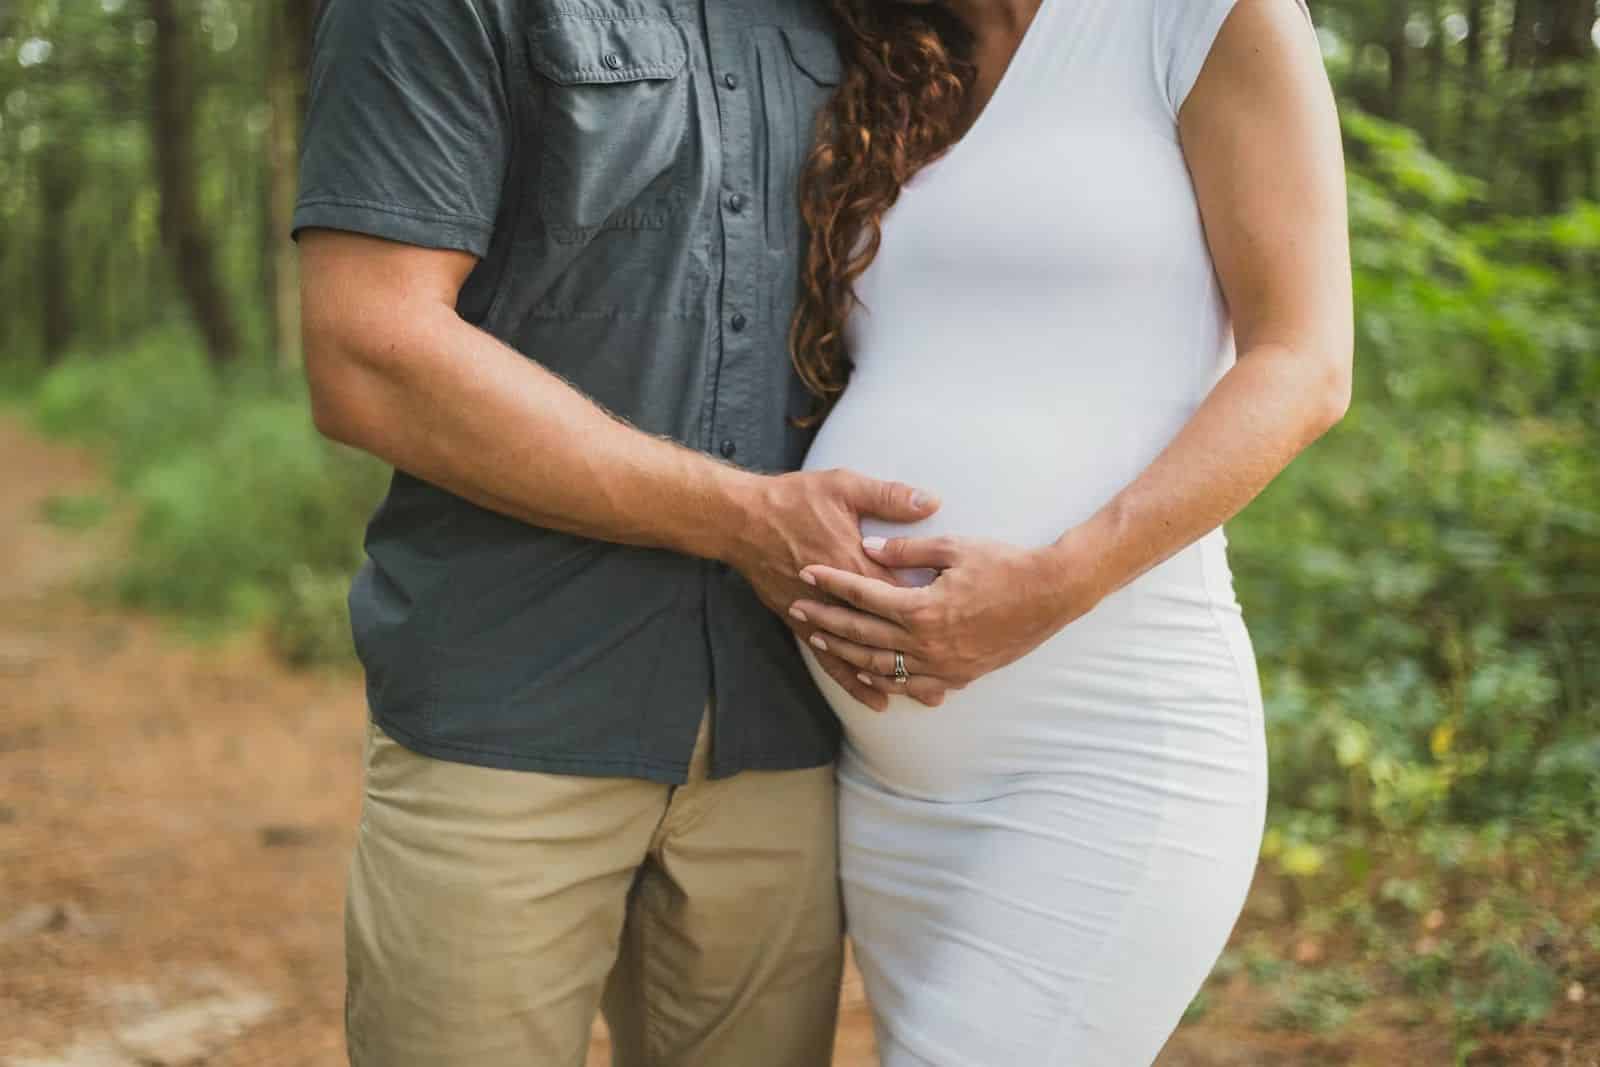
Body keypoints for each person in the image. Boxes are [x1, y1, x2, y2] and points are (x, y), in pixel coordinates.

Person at [292, 2, 943, 1064]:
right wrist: (743, 518)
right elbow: (370, 350)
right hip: (511, 704)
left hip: (784, 725)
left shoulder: (874, 14)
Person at [782, 0, 1352, 1063]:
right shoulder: (881, 52)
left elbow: (1306, 364)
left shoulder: (1202, 19)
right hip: (891, 791)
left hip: (1109, 748)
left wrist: (1050, 581)